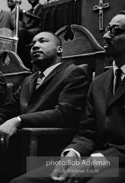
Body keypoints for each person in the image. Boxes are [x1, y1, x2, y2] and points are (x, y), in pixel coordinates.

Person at [0, 31, 89, 183]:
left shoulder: (73, 72)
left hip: (43, 141)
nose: (35, 46)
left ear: (59, 49)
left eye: (42, 41)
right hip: (17, 138)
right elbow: (6, 109)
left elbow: (63, 113)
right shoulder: (29, 79)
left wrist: (19, 120)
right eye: (32, 44)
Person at [10, 11, 125, 183]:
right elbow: (87, 131)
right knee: (22, 181)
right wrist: (72, 153)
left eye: (116, 31)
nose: (106, 35)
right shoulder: (99, 83)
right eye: (108, 29)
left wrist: (95, 162)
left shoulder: (72, 74)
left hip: (117, 163)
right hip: (93, 158)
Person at [18, 0, 43, 69]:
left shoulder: (43, 9)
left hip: (36, 34)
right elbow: (22, 26)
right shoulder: (26, 12)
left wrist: (27, 32)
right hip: (25, 36)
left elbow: (41, 26)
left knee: (21, 32)